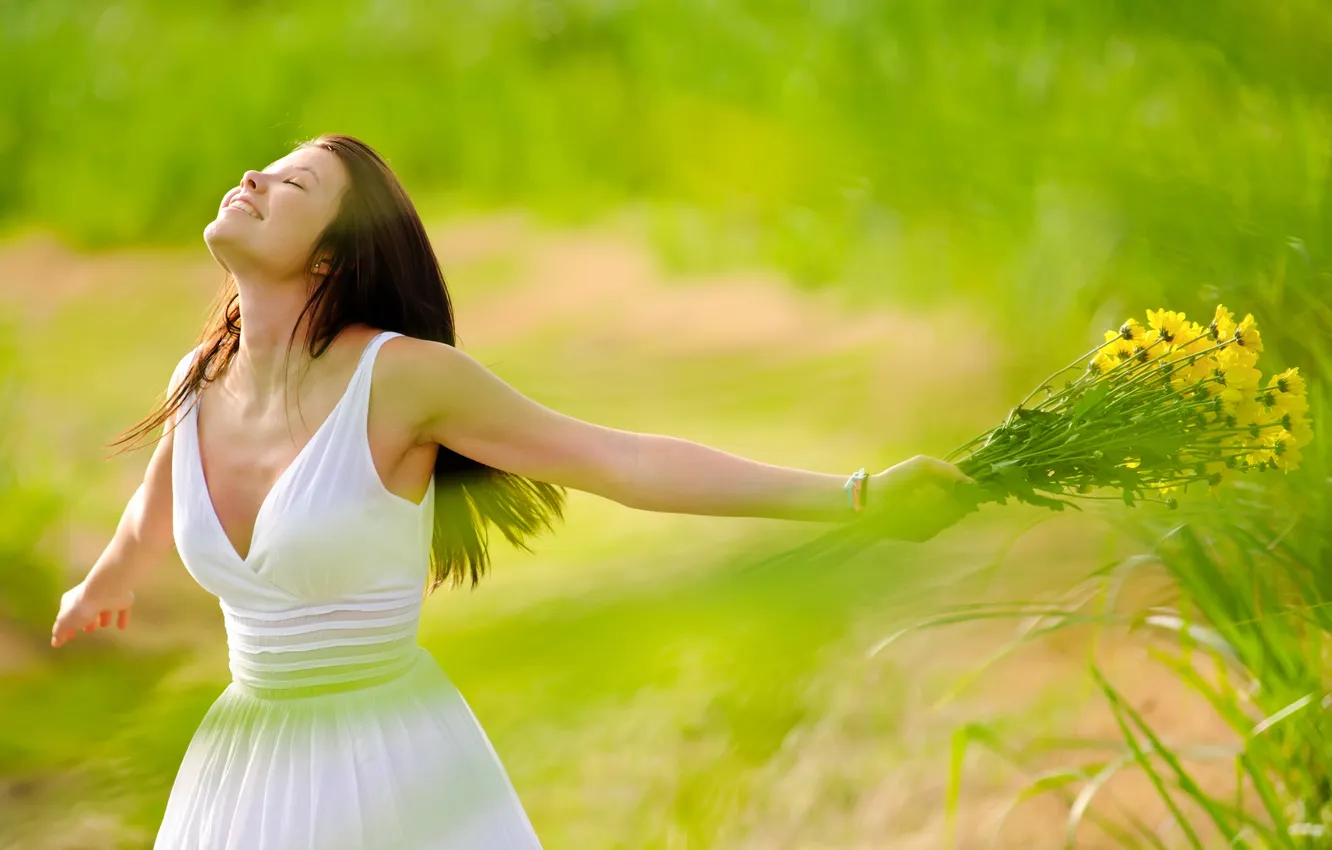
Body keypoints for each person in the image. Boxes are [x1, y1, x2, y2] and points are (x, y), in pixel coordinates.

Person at [49, 134, 974, 850]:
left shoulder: (404, 381)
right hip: (243, 772)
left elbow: (625, 463)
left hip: (390, 770)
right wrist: (106, 580)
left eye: (290, 186)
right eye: (263, 169)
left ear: (331, 259)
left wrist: (857, 496)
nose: (253, 179)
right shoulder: (198, 381)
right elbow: (157, 510)